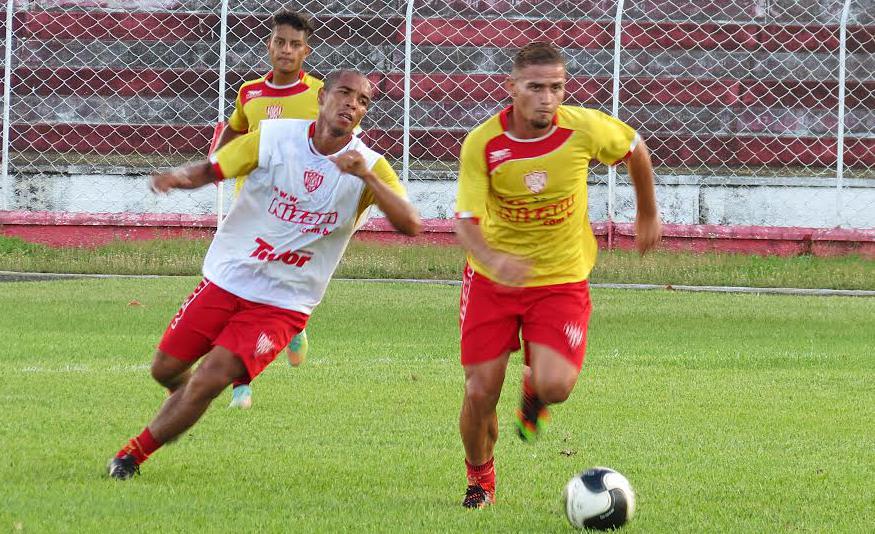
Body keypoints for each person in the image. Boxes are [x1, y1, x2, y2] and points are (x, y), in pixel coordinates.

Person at [107, 70, 421, 480]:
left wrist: (365, 176)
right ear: (322, 97)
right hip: (230, 276)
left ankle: (132, 455)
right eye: (344, 93)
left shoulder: (371, 165)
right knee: (165, 370)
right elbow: (213, 169)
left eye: (362, 101)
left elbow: (410, 223)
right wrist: (177, 178)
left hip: (284, 302)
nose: (352, 104)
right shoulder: (275, 138)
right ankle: (184, 405)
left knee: (210, 378)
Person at [453, 42, 662, 508]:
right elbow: (465, 221)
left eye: (556, 88)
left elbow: (634, 148)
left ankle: (535, 389)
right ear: (512, 89)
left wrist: (647, 213)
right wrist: (494, 257)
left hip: (561, 278)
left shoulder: (584, 129)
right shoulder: (482, 143)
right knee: (480, 391)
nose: (547, 98)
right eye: (535, 88)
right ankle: (479, 479)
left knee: (555, 386)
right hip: (493, 282)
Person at [214, 9, 323, 409]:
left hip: (297, 213)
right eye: (280, 42)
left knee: (271, 294)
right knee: (237, 291)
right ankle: (241, 380)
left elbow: (341, 141)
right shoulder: (250, 93)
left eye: (295, 44)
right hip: (251, 209)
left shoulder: (321, 94)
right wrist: (218, 158)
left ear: (305, 51)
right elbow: (235, 128)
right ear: (269, 45)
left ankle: (289, 329)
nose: (286, 50)